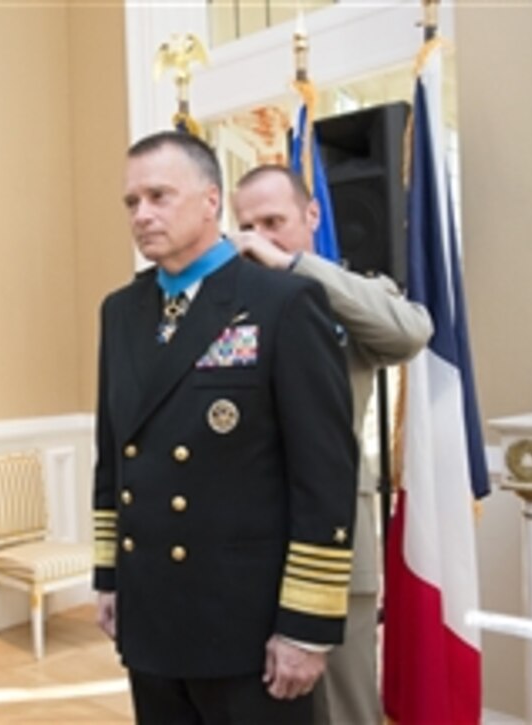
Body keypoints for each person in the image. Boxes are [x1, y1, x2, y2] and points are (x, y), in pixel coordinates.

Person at [93, 130, 358, 723]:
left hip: (248, 628)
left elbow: (324, 476)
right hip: (153, 614)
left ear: (211, 201)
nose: (143, 214)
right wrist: (111, 579)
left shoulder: (282, 303)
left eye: (160, 195)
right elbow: (112, 457)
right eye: (132, 202)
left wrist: (307, 627)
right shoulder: (121, 312)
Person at [230, 164, 434, 725]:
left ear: (311, 216)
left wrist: (294, 267)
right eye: (246, 226)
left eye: (275, 222)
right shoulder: (230, 302)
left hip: (335, 544)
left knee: (344, 709)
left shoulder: (344, 294)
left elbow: (410, 332)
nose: (259, 239)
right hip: (247, 542)